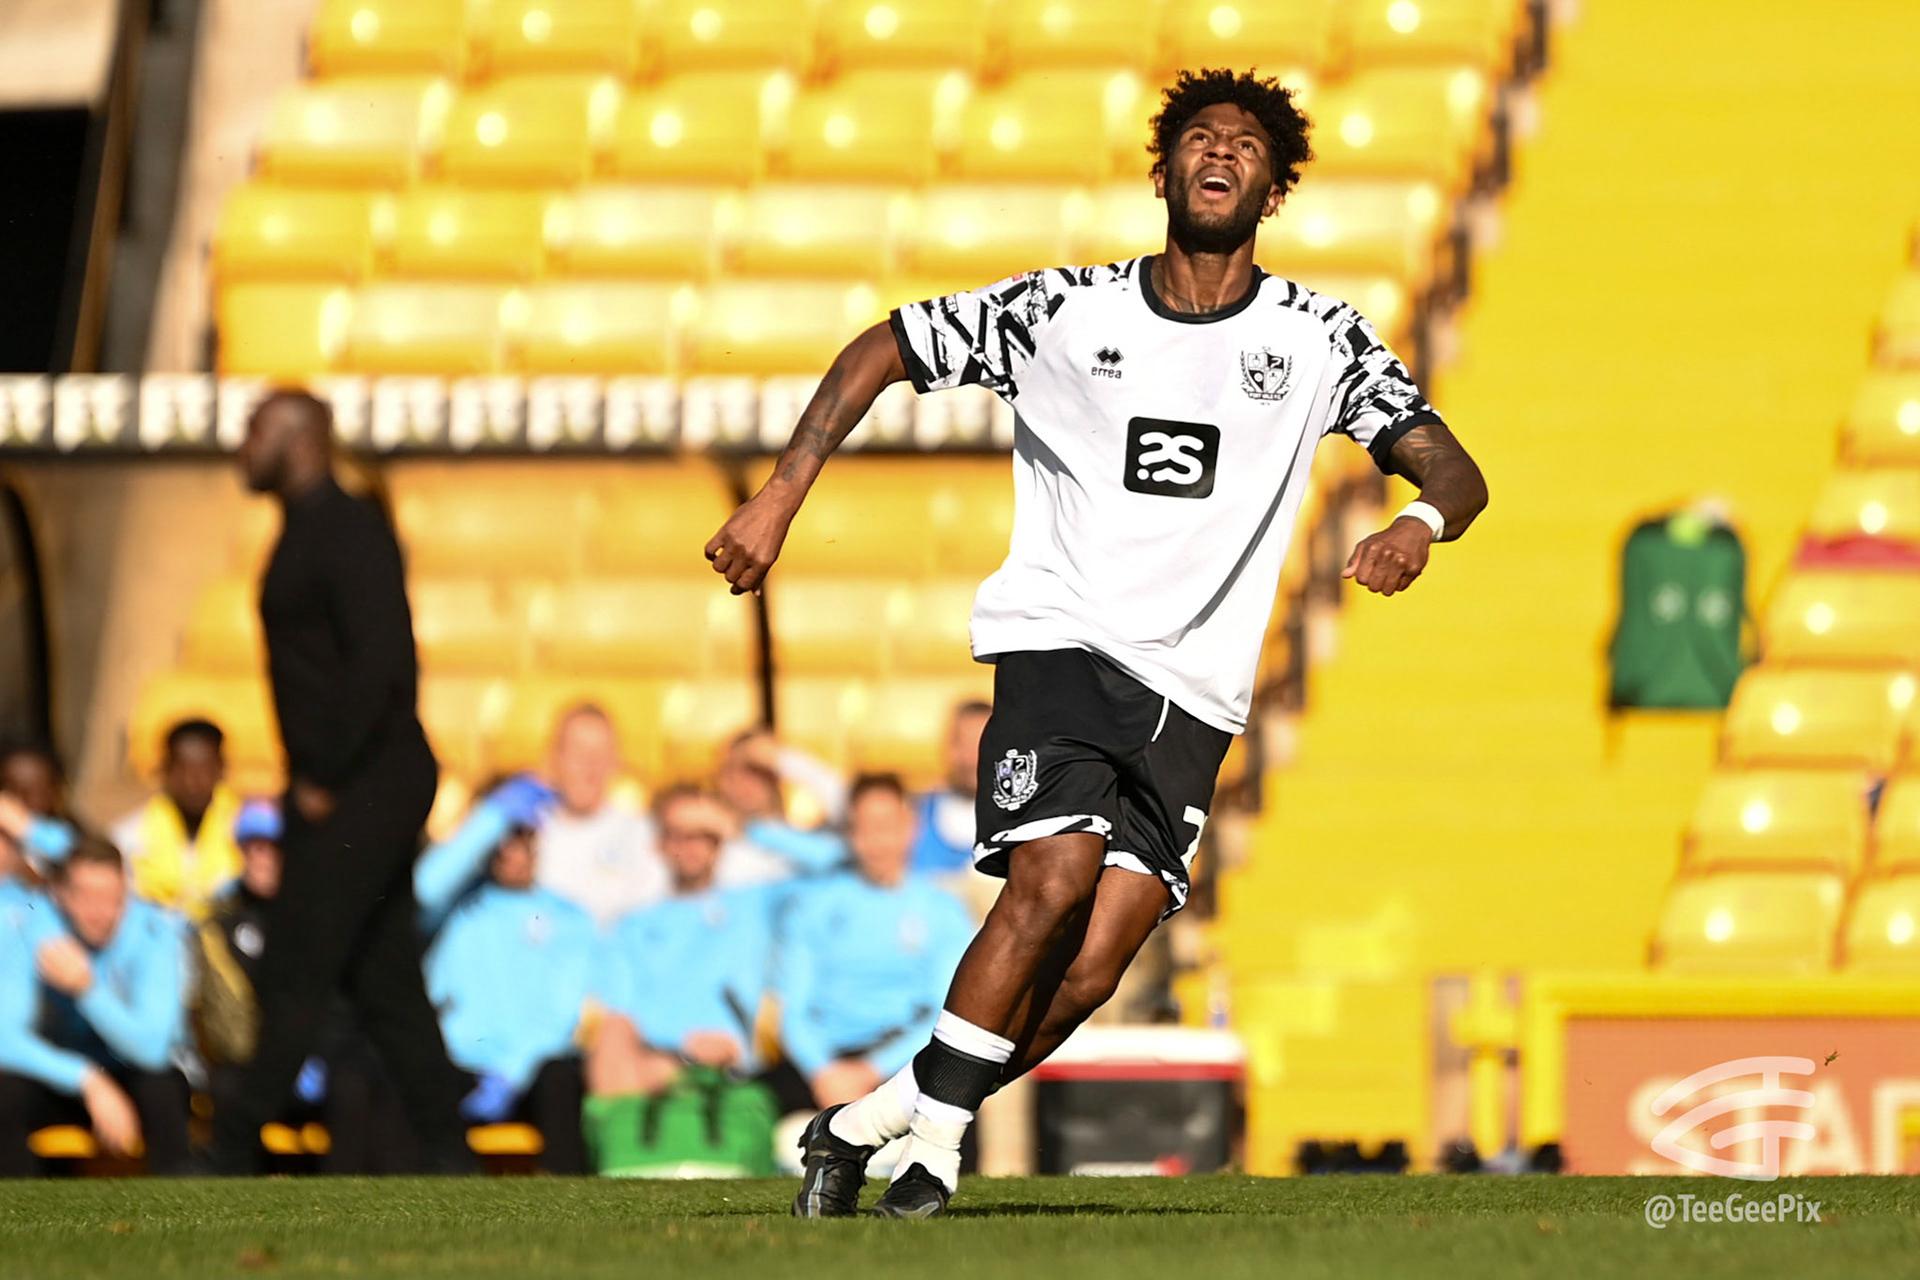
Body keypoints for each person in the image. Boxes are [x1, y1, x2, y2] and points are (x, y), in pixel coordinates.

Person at [706, 68, 1488, 1217]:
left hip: (1199, 696)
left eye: (1249, 147)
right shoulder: (1064, 311)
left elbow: (1456, 471)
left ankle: (867, 1121)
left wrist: (1417, 522)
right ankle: (937, 1152)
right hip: (1064, 641)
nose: (1221, 154)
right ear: (1163, 171)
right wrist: (782, 491)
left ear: (1275, 192)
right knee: (1056, 873)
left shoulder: (1320, 337)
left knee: (1089, 968)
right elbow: (887, 344)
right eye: (1200, 138)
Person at [214, 388, 473, 1174]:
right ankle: (449, 1149)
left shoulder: (349, 528)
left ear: (301, 440)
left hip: (367, 779)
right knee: (383, 976)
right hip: (349, 780)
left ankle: (229, 1146)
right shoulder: (304, 530)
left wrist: (323, 774)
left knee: (298, 959)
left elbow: (384, 662)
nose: (242, 445)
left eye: (256, 430)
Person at [417, 787, 594, 1175]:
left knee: (560, 1079)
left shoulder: (570, 918)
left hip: (528, 1069)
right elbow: (424, 887)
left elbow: (561, 1014)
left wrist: (511, 1072)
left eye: (520, 838)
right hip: (459, 1065)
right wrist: (489, 819)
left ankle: (568, 1198)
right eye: (500, 840)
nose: (510, 852)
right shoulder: (453, 910)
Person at [775, 775, 972, 1119]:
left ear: (911, 827)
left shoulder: (943, 910)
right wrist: (821, 1071)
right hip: (828, 1062)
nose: (878, 841)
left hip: (906, 1059)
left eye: (888, 826)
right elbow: (793, 1010)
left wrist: (873, 1070)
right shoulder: (813, 906)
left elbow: (946, 1012)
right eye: (865, 828)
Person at [0, 837, 192, 1175]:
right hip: (60, 1074)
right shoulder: (29, 925)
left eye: (112, 898)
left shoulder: (154, 929)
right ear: (60, 894)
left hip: (130, 1070)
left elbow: (153, 1049)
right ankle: (22, 1204)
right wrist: (87, 1079)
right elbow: (5, 1039)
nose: (100, 912)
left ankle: (180, 1201)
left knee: (163, 1086)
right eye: (86, 896)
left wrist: (87, 991)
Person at [589, 785, 774, 1099]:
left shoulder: (754, 905)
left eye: (703, 835)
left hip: (733, 1069)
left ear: (720, 840)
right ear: (660, 843)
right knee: (612, 1038)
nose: (691, 847)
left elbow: (834, 861)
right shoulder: (632, 926)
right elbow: (622, 1009)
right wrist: (682, 1046)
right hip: (658, 1064)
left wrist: (742, 826)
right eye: (679, 835)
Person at [533, 704, 670, 929]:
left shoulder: (643, 836)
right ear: (555, 758)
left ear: (616, 762)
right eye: (579, 752)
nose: (590, 766)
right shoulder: (527, 835)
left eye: (601, 754)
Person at [111, 718, 244, 919]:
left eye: (204, 771)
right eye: (182, 770)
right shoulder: (129, 838)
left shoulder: (246, 834)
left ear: (221, 769)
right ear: (165, 770)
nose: (193, 783)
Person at [909, 701, 992, 882]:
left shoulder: (1022, 824)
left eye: (981, 745)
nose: (971, 759)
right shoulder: (914, 817)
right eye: (962, 745)